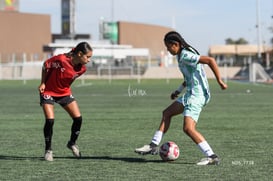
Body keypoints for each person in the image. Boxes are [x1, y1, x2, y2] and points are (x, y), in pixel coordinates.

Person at [135, 31, 227, 165]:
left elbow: (210, 60)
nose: (167, 50)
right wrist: (177, 91)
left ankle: (211, 156)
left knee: (188, 129)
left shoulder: (185, 55)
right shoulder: (181, 55)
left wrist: (220, 81)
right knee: (167, 113)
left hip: (197, 95)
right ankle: (153, 145)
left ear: (176, 44)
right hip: (191, 93)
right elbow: (188, 78)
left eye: (168, 47)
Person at [38, 42, 93, 161]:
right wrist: (43, 82)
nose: (89, 60)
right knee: (50, 120)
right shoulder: (60, 60)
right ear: (79, 54)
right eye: (87, 57)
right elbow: (45, 65)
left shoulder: (82, 69)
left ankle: (72, 143)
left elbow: (66, 80)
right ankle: (48, 150)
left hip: (64, 93)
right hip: (48, 91)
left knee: (78, 118)